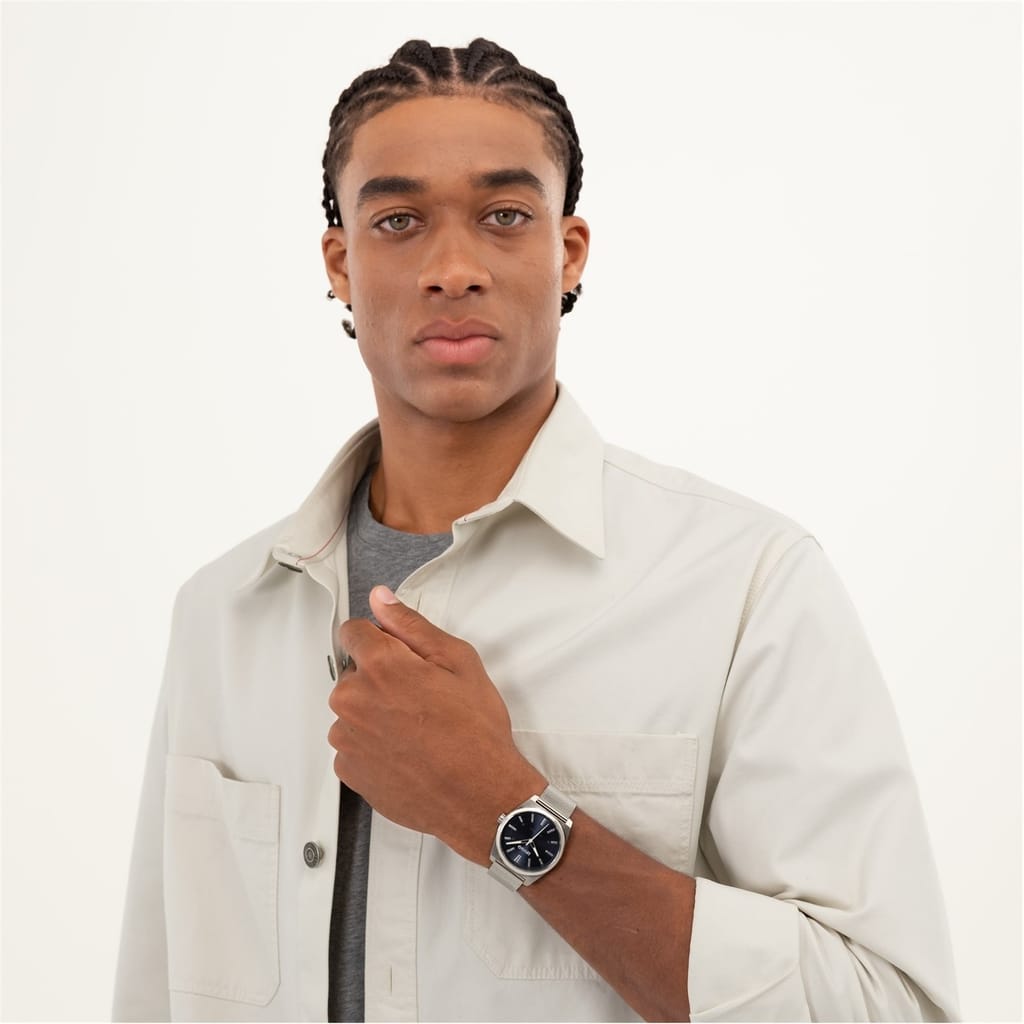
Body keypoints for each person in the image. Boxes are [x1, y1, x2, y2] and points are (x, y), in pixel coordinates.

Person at [112, 37, 959, 1023]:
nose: (453, 268)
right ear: (342, 264)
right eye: (398, 221)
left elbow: (886, 1003)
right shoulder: (222, 613)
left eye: (505, 216)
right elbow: (156, 990)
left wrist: (506, 811)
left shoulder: (746, 585)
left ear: (569, 252)